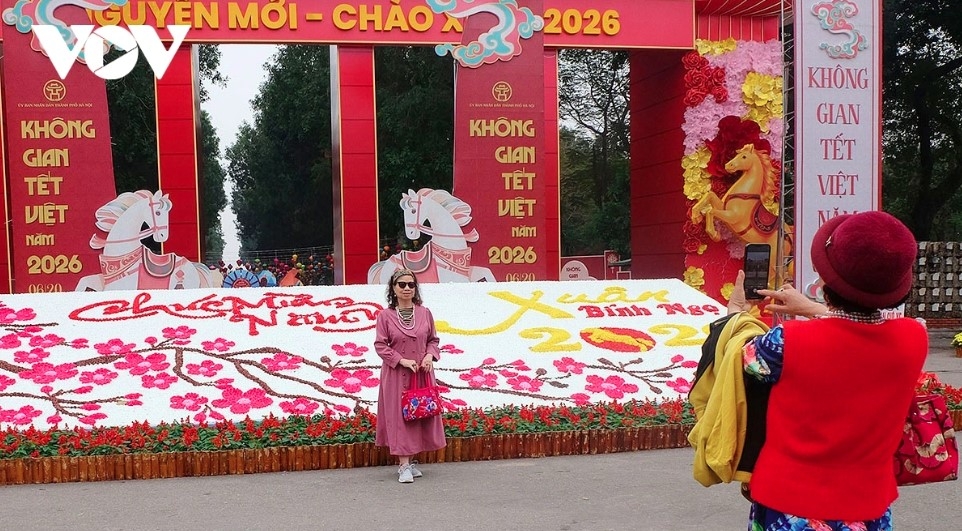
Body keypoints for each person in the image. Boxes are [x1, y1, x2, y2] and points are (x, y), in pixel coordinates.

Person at [723, 211, 927, 529]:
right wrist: (814, 309)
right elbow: (858, 333)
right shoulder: (914, 338)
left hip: (788, 505)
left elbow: (738, 355)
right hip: (867, 505)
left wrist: (735, 312)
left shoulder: (786, 342)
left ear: (825, 283)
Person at [374, 268, 446, 483]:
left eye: (411, 285)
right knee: (400, 418)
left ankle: (410, 461)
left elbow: (433, 340)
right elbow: (380, 345)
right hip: (397, 375)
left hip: (421, 374)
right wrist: (401, 360)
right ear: (393, 289)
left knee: (418, 414)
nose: (407, 288)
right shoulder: (385, 316)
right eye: (402, 285)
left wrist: (429, 357)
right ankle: (403, 465)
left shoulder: (425, 313)